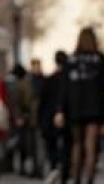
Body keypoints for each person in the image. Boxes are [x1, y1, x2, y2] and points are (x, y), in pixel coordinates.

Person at [55, 27, 104, 184]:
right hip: (94, 108)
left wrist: (60, 109)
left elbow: (63, 87)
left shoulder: (71, 60)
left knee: (77, 144)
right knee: (91, 145)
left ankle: (76, 178)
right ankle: (89, 179)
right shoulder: (99, 59)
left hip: (74, 108)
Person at [39, 51, 71, 184]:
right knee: (66, 146)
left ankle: (54, 167)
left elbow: (42, 100)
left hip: (49, 117)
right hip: (67, 118)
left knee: (52, 146)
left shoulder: (50, 79)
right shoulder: (70, 80)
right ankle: (64, 172)